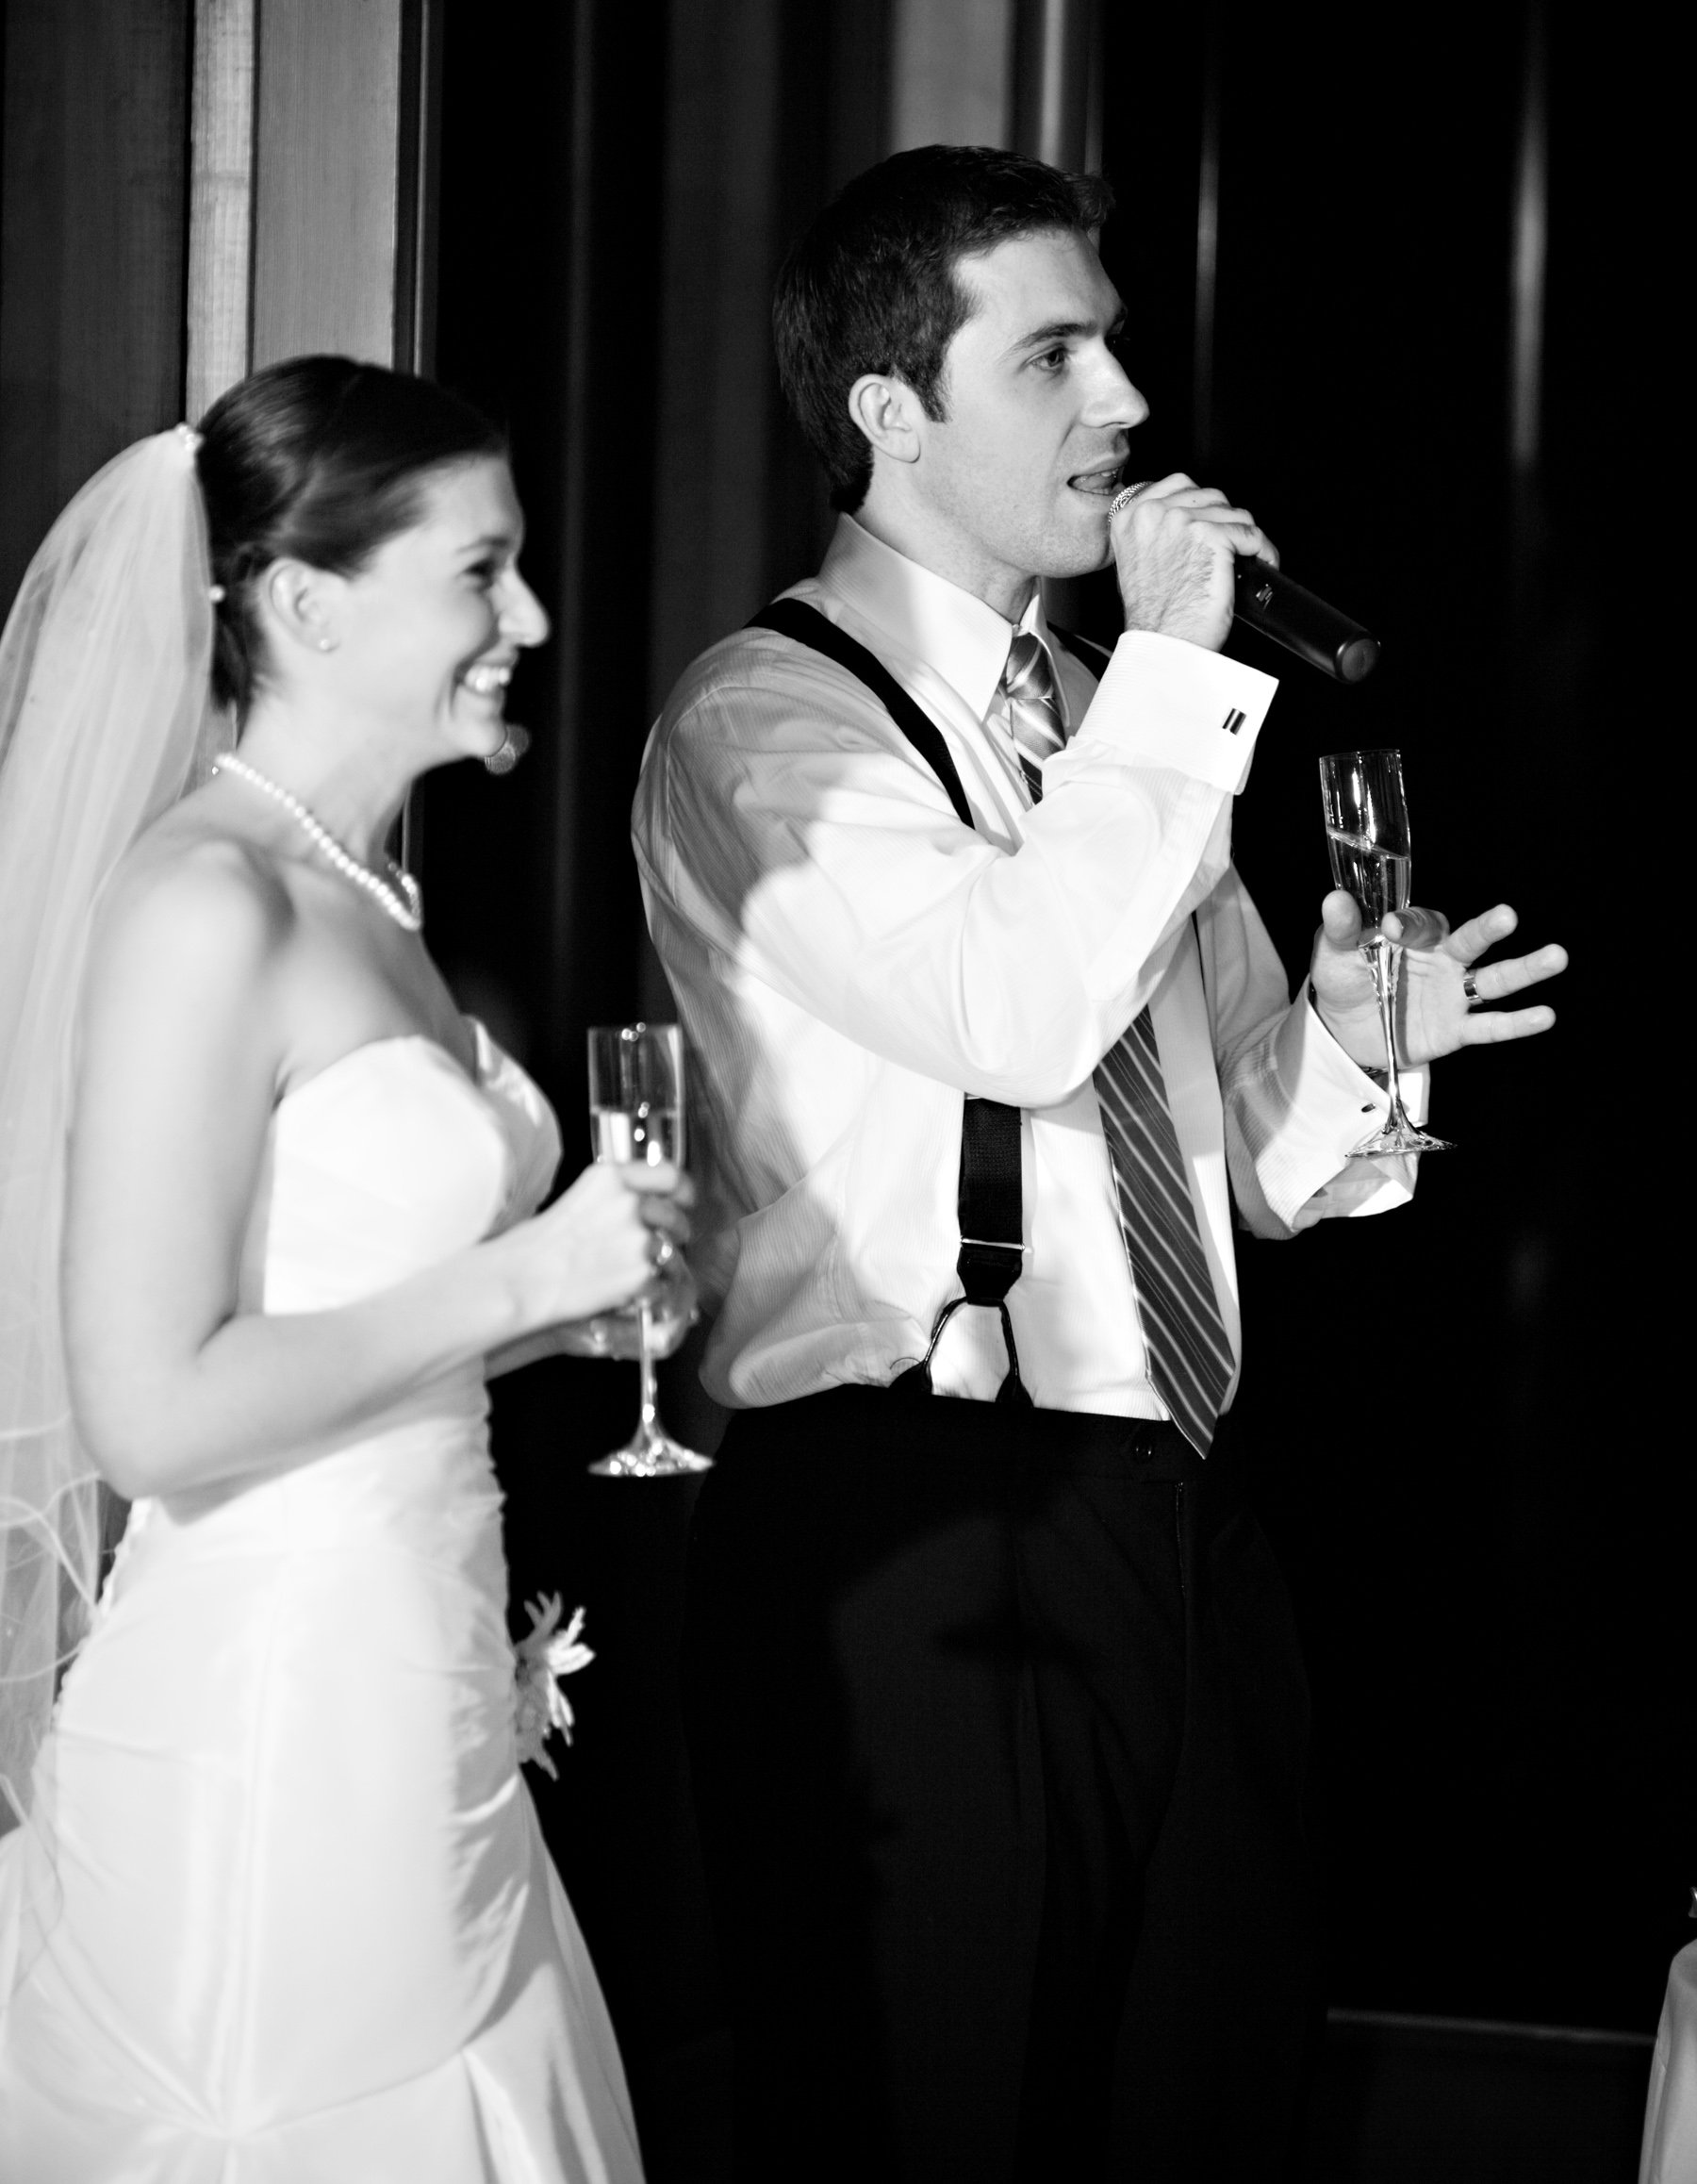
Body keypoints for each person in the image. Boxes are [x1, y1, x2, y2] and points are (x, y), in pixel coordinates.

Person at [633, 145, 1568, 2181]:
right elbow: (1017, 1013)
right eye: (1052, 353)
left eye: (1113, 345)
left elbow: (1247, 1158)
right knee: (933, 2126)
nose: (1126, 403)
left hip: (1177, 1517)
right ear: (892, 410)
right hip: (914, 1525)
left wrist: (1359, 1049)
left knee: (1205, 2105)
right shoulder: (764, 731)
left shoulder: (1105, 719)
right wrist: (1176, 677)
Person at [0, 359, 692, 2180]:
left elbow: (357, 1314)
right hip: (277, 1709)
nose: (528, 619)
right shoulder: (200, 901)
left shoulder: (364, 891)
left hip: (422, 1658)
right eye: (480, 573)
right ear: (305, 603)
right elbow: (150, 1409)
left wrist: (585, 1306)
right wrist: (527, 1281)